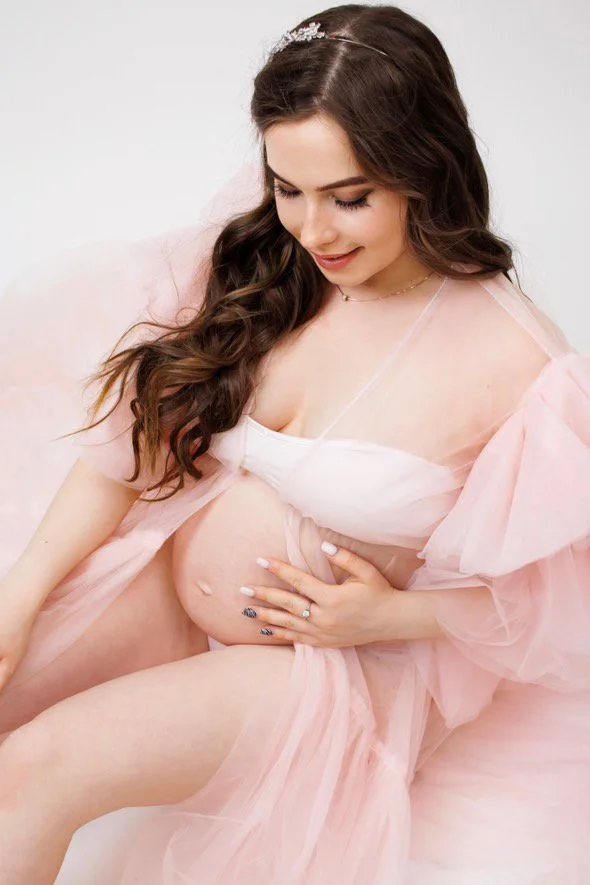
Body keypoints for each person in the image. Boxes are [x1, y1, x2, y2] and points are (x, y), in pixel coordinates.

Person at [0, 4, 589, 883]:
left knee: (37, 769)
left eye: (350, 198)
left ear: (424, 166)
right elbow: (135, 446)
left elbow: (562, 598)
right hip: (172, 595)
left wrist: (393, 617)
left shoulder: (520, 362)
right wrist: (19, 597)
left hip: (331, 674)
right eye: (288, 188)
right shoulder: (271, 260)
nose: (313, 230)